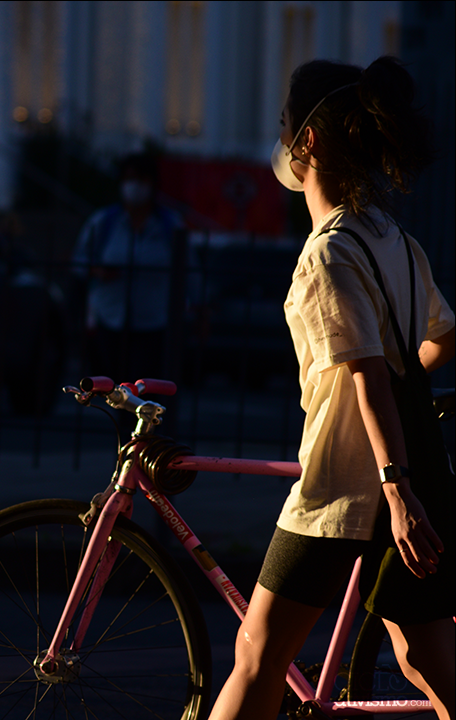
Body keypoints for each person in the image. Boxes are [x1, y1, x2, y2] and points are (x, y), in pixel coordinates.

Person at [210, 57, 455, 719]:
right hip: (416, 476)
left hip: (345, 489)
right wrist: (405, 458)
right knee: (432, 660)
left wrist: (391, 482)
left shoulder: (327, 253)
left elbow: (366, 373)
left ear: (307, 142)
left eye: (286, 124)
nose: (282, 137)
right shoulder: (395, 239)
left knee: (258, 658)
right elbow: (439, 337)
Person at [71, 152, 184, 381]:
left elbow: (187, 269)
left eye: (141, 180)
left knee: (144, 384)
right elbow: (80, 261)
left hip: (153, 321)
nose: (134, 186)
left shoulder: (169, 225)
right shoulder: (104, 222)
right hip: (110, 317)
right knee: (114, 383)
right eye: (129, 179)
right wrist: (98, 271)